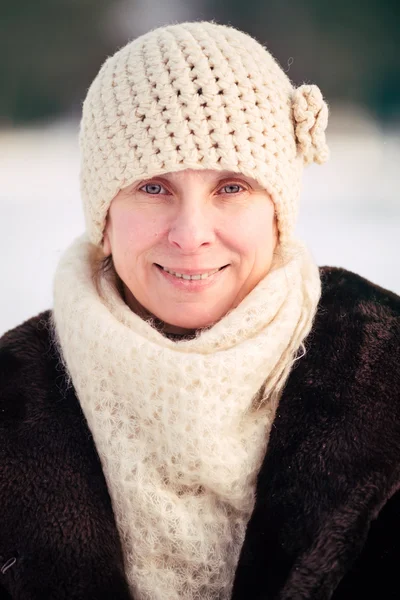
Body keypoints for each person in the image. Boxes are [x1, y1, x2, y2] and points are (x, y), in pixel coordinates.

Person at [0, 20, 399, 600]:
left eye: (231, 187)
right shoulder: (12, 399)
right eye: (154, 188)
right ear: (104, 218)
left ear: (278, 213)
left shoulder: (383, 372)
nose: (191, 235)